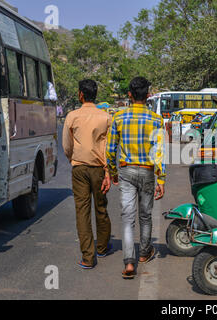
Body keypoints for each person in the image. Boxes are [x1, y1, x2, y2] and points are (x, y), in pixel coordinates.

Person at [106, 77, 166, 279]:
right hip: (148, 171)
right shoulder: (156, 120)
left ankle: (129, 262)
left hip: (126, 171)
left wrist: (113, 172)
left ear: (130, 95)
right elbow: (159, 152)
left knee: (127, 217)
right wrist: (161, 179)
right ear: (148, 96)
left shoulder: (119, 117)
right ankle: (144, 253)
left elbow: (110, 149)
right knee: (145, 215)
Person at [63, 79, 113, 269]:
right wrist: (108, 171)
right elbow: (109, 147)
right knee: (101, 207)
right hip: (100, 168)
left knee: (82, 211)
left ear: (80, 95)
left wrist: (73, 159)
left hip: (79, 168)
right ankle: (102, 247)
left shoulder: (72, 116)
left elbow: (67, 145)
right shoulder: (105, 117)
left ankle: (87, 257)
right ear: (95, 94)